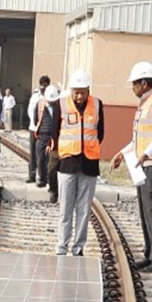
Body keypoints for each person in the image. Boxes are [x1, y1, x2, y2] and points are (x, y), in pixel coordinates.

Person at [111, 61, 152, 272]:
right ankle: (150, 253)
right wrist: (123, 152)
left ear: (145, 83)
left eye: (135, 84)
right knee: (144, 208)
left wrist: (146, 154)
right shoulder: (146, 102)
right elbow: (138, 138)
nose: (133, 88)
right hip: (143, 163)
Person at [51, 70, 104, 255]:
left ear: (88, 90)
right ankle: (62, 246)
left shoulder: (97, 104)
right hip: (67, 163)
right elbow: (54, 131)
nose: (79, 96)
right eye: (76, 92)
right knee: (65, 208)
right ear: (71, 90)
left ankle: (78, 247)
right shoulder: (61, 104)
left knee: (84, 210)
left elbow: (101, 133)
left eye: (82, 92)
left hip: (89, 164)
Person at [37, 85, 62, 203]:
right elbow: (35, 118)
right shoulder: (41, 105)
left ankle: (59, 189)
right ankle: (52, 189)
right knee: (48, 164)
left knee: (58, 167)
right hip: (47, 137)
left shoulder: (61, 107)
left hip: (60, 139)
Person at [26, 75, 50, 185]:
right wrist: (36, 124)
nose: (43, 87)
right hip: (33, 128)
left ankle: (45, 176)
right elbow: (31, 111)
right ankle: (32, 175)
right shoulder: (35, 97)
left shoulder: (51, 96)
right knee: (33, 153)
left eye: (46, 85)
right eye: (42, 85)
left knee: (44, 154)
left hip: (44, 131)